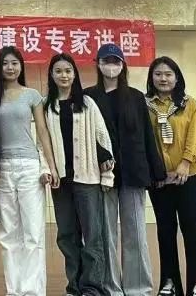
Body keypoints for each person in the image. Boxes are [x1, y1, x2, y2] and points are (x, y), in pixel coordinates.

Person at [84, 43, 165, 296]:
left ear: (123, 65)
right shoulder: (88, 97)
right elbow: (85, 136)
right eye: (106, 61)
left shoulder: (136, 97)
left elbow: (147, 135)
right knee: (106, 234)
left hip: (133, 172)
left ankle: (138, 287)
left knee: (136, 232)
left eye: (116, 61)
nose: (111, 66)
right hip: (101, 174)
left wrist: (157, 171)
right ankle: (111, 287)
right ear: (98, 64)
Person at [0, 47, 56, 296]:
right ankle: (14, 290)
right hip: (2, 169)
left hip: (29, 167)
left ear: (21, 66)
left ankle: (33, 290)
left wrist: (50, 166)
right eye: (5, 63)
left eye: (14, 63)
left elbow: (43, 131)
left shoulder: (32, 95)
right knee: (8, 234)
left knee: (33, 233)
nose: (10, 68)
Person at [46, 52, 113, 296]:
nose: (63, 75)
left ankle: (92, 287)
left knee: (92, 235)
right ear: (51, 75)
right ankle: (74, 286)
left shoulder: (87, 103)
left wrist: (107, 173)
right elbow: (42, 144)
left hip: (87, 179)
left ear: (74, 74)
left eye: (68, 70)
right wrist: (47, 169)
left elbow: (102, 136)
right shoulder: (47, 107)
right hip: (61, 182)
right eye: (58, 71)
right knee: (66, 236)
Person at [146, 56, 196, 296]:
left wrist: (185, 163)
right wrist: (157, 171)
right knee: (165, 231)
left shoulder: (189, 104)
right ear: (151, 77)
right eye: (158, 74)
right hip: (159, 180)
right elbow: (145, 141)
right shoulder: (145, 105)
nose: (163, 78)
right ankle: (169, 282)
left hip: (188, 177)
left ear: (177, 77)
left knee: (193, 231)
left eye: (168, 74)